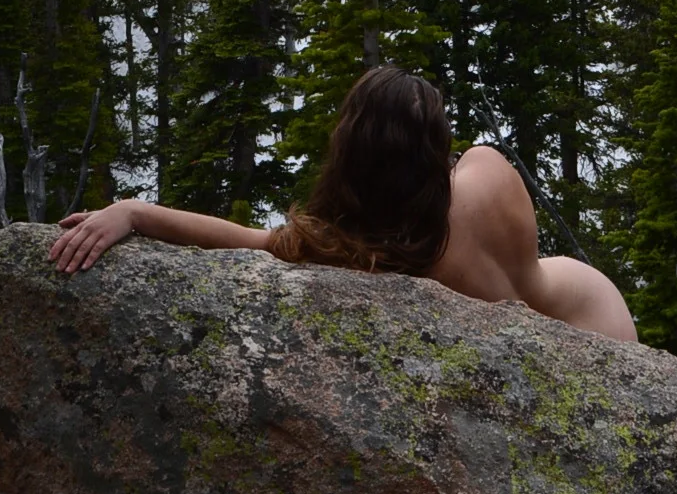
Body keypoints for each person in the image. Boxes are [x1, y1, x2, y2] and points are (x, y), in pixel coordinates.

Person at [47, 64, 636, 342]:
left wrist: (135, 211)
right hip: (599, 319)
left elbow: (245, 240)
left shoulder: (361, 252)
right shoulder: (487, 172)